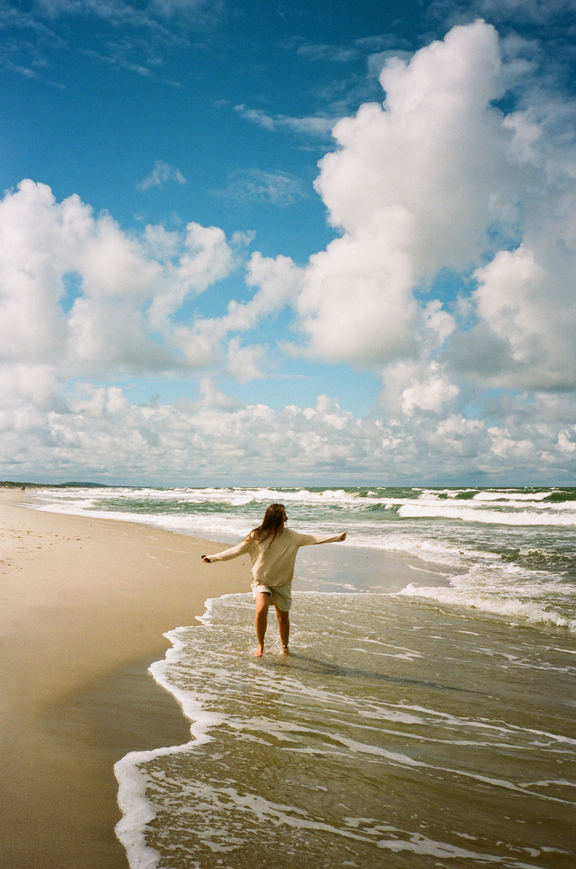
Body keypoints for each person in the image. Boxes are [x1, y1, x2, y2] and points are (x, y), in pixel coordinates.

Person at [202, 503, 346, 657]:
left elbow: (313, 539)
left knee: (282, 617)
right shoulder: (256, 536)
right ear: (276, 518)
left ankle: (284, 647)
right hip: (261, 582)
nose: (287, 518)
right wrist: (212, 558)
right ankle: (260, 646)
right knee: (261, 609)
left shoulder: (292, 536)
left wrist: (337, 537)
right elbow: (236, 550)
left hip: (282, 583)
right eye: (284, 515)